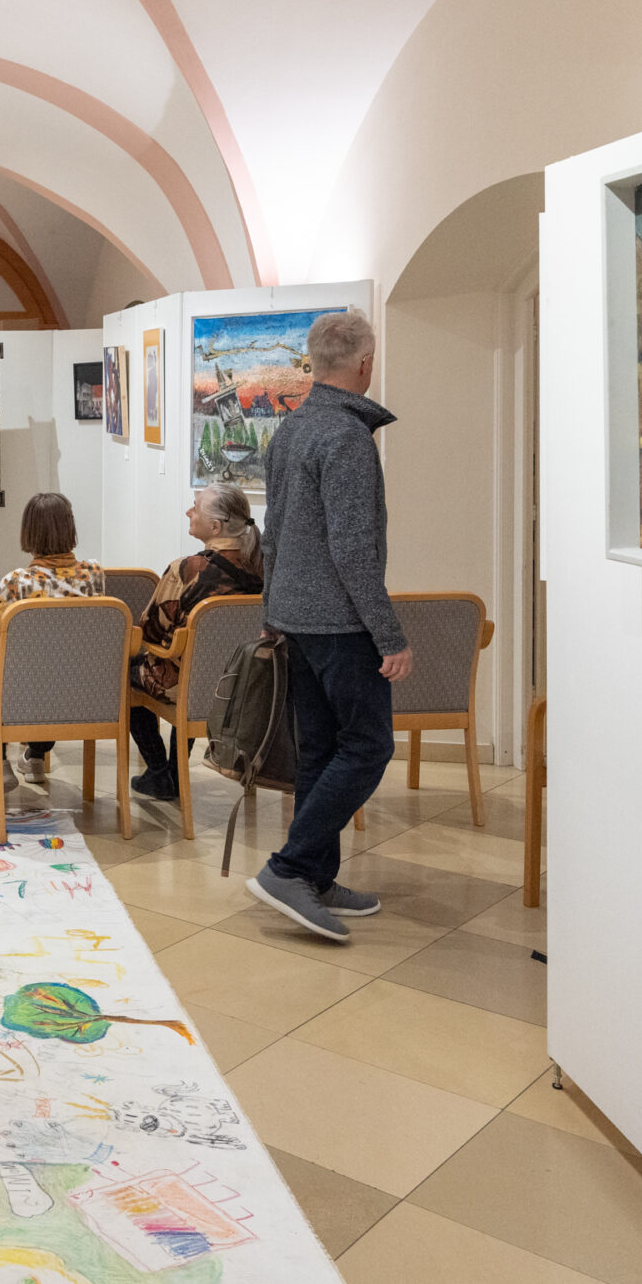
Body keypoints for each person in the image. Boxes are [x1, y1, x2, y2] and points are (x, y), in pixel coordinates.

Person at [247, 311, 409, 944]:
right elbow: (353, 549)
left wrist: (271, 610)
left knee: (320, 750)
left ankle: (314, 874)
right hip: (339, 622)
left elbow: (273, 532)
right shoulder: (346, 437)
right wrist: (389, 635)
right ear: (365, 363)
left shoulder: (291, 428)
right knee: (368, 746)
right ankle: (289, 869)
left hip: (296, 617)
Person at [0, 492, 105, 819]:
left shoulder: (18, 582)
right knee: (58, 668)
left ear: (29, 532)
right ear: (70, 528)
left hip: (24, 696)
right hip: (84, 695)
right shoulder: (94, 574)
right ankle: (36, 757)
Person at [128, 484, 265, 802]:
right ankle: (174, 774)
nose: (188, 511)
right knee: (192, 666)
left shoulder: (186, 570)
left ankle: (161, 773)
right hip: (249, 687)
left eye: (195, 507)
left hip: (190, 686)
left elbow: (150, 630)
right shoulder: (263, 569)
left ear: (215, 527)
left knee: (127, 673)